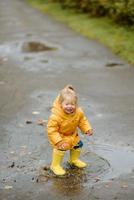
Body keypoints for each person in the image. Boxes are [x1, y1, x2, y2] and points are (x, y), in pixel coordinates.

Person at [47, 85, 93, 176]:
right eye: (67, 104)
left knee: (78, 145)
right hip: (61, 137)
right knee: (61, 149)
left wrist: (87, 128)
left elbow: (82, 121)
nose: (70, 107)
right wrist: (58, 141)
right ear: (61, 104)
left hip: (73, 135)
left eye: (72, 104)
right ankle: (55, 165)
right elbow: (51, 130)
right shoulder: (56, 116)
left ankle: (73, 160)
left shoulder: (78, 112)